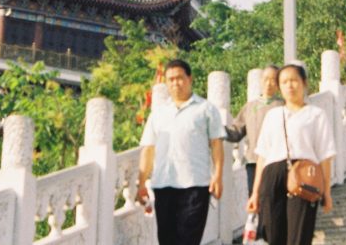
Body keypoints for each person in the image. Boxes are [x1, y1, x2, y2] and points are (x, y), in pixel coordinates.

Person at [136, 59, 225, 245]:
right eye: (170, 79)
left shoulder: (205, 109)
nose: (175, 83)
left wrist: (217, 176)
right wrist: (141, 182)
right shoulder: (158, 113)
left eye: (179, 78)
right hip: (163, 184)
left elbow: (216, 144)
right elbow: (148, 149)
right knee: (166, 239)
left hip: (195, 184)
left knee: (188, 239)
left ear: (190, 78)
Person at [247, 64, 335, 245]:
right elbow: (262, 157)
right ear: (280, 87)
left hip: (304, 175)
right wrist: (255, 193)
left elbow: (325, 156)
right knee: (272, 234)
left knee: (300, 235)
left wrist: (326, 191)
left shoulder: (316, 115)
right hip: (273, 175)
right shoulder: (273, 115)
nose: (290, 86)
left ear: (304, 83)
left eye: (294, 80)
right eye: (284, 82)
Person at [225, 65, 284, 196]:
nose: (269, 83)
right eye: (266, 79)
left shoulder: (283, 105)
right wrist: (216, 130)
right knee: (256, 198)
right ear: (261, 81)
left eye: (273, 79)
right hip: (253, 162)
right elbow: (236, 132)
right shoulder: (250, 106)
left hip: (276, 162)